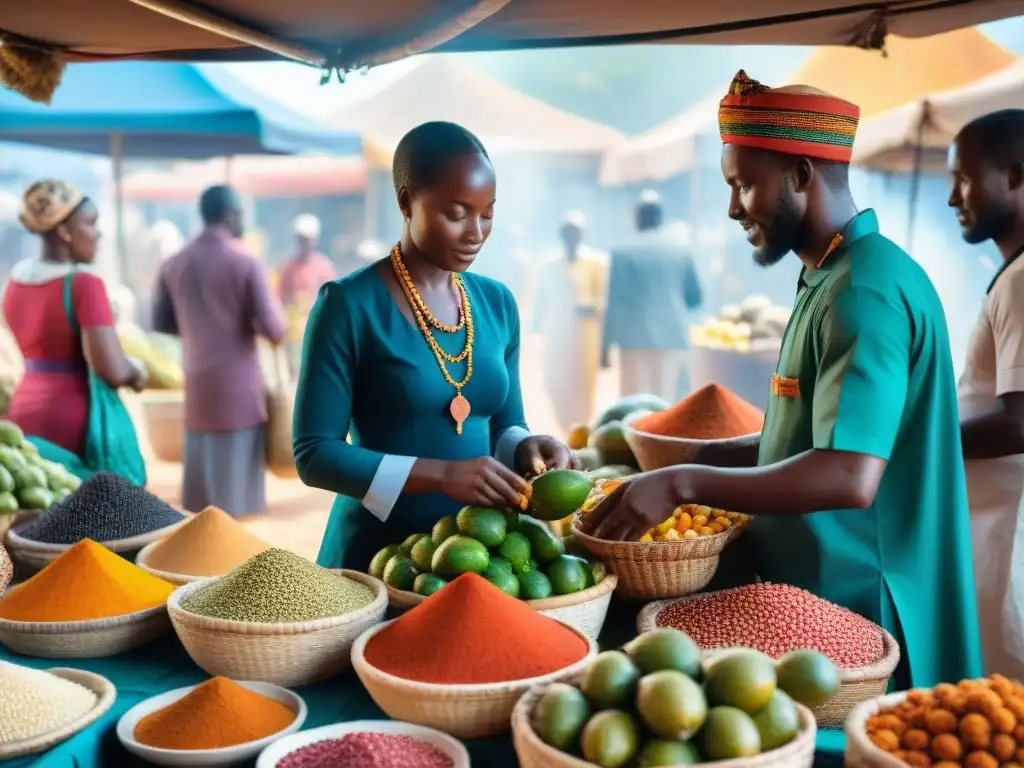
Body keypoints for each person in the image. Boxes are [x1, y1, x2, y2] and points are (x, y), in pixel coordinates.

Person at [583, 71, 982, 697]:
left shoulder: (867, 292)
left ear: (800, 174)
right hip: (811, 596)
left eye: (744, 184)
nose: (734, 207)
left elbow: (849, 476)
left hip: (867, 606)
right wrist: (689, 459)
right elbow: (802, 438)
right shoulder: (829, 274)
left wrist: (685, 481)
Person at [293, 121, 576, 570]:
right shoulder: (348, 304)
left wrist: (526, 445)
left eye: (488, 214)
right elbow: (314, 454)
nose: (476, 232)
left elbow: (505, 422)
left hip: (481, 554)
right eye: (457, 213)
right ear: (407, 202)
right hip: (379, 559)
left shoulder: (497, 303)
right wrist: (443, 475)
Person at [152, 185, 287, 517]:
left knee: (203, 511)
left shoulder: (174, 263)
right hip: (239, 394)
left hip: (198, 391)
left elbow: (161, 321)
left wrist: (199, 328)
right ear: (231, 214)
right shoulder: (245, 260)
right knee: (238, 512)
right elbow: (275, 329)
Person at [2, 180, 147, 479]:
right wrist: (137, 370)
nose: (99, 234)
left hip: (25, 410)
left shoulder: (16, 281)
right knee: (85, 517)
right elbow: (112, 370)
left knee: (41, 507)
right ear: (65, 232)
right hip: (74, 420)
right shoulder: (84, 285)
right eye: (91, 224)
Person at [948, 109, 1024, 681]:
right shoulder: (1011, 274)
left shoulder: (1023, 280)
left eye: (965, 179)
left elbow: (1018, 419)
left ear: (1016, 176)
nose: (953, 197)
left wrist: (918, 439)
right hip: (989, 520)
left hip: (1006, 529)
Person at [601, 190, 702, 402]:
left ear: (637, 218)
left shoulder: (623, 253)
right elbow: (695, 299)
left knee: (635, 407)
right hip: (672, 338)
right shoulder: (681, 250)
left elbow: (615, 303)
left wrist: (605, 346)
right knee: (666, 404)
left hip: (634, 340)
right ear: (660, 218)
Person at [533, 211, 608, 433]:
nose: (571, 236)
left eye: (575, 232)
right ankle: (565, 427)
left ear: (582, 234)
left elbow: (604, 298)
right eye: (567, 232)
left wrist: (589, 307)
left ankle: (581, 430)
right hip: (557, 332)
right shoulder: (550, 265)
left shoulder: (596, 263)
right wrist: (535, 327)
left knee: (584, 384)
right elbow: (541, 299)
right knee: (555, 380)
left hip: (586, 333)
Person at [278, 214, 336, 374]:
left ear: (315, 240)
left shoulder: (324, 267)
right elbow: (282, 299)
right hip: (293, 335)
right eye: (301, 239)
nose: (305, 243)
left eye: (308, 239)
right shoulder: (287, 267)